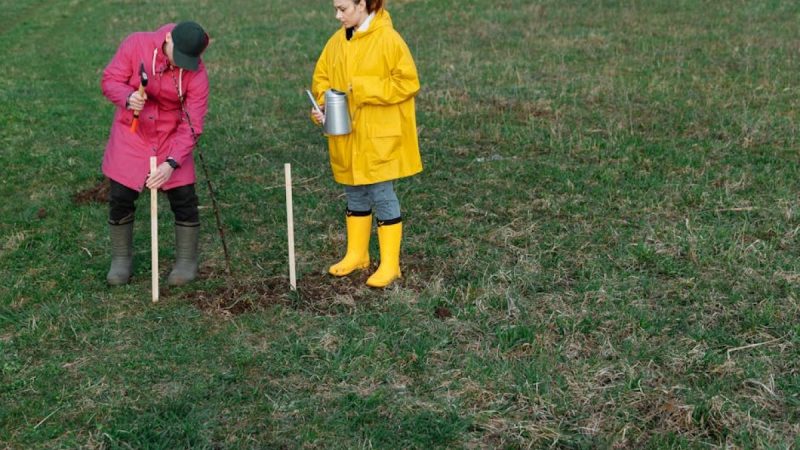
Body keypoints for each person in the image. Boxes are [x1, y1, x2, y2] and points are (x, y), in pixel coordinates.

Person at [311, 0, 422, 288]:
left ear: (363, 4)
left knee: (382, 194)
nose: (337, 15)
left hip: (378, 137)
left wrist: (362, 89)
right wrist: (322, 105)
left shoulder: (389, 39)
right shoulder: (336, 42)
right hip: (347, 136)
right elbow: (321, 79)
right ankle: (357, 254)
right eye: (335, 8)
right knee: (354, 192)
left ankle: (390, 264)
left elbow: (408, 82)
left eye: (343, 8)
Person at [101, 21, 210, 286]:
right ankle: (121, 260)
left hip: (171, 136)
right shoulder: (136, 43)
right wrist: (127, 97)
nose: (183, 65)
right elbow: (110, 80)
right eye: (179, 58)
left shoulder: (197, 73)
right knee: (121, 196)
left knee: (184, 198)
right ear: (169, 39)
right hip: (133, 132)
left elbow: (193, 123)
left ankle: (185, 261)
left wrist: (172, 163)